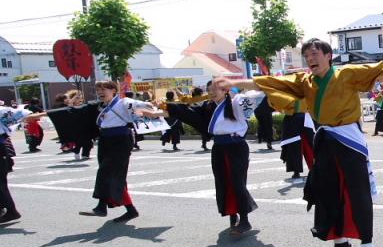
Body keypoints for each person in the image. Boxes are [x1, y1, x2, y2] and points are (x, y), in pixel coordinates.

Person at [216, 39, 383, 247]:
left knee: (357, 192)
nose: (310, 59)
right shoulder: (305, 81)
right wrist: (234, 81)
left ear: (329, 55)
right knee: (326, 193)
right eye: (307, 56)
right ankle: (340, 243)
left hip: (349, 139)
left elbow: (382, 67)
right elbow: (270, 82)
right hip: (324, 140)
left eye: (314, 54)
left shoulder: (347, 74)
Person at [160, 83, 265, 235]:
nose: (211, 92)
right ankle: (231, 215)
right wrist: (154, 112)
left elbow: (258, 96)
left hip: (236, 147)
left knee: (237, 182)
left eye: (215, 89)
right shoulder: (209, 107)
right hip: (219, 148)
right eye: (209, 90)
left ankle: (244, 220)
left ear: (225, 90)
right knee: (223, 182)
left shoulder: (236, 101)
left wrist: (239, 91)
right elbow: (186, 113)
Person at [77, 81, 163, 223]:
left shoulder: (123, 102)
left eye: (104, 89)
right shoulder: (101, 107)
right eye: (98, 89)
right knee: (115, 175)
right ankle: (131, 210)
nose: (100, 92)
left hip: (120, 140)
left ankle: (101, 207)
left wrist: (152, 104)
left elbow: (141, 105)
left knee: (106, 171)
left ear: (113, 90)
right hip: (105, 140)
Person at [0, 101, 34, 225]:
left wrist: (47, 113)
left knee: (0, 183)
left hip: (1, 150)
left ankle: (10, 210)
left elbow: (24, 114)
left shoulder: (2, 111)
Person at [279, 101, 314, 179]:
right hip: (295, 118)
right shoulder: (288, 91)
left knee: (307, 144)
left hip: (301, 118)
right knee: (296, 145)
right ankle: (298, 170)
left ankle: (312, 168)